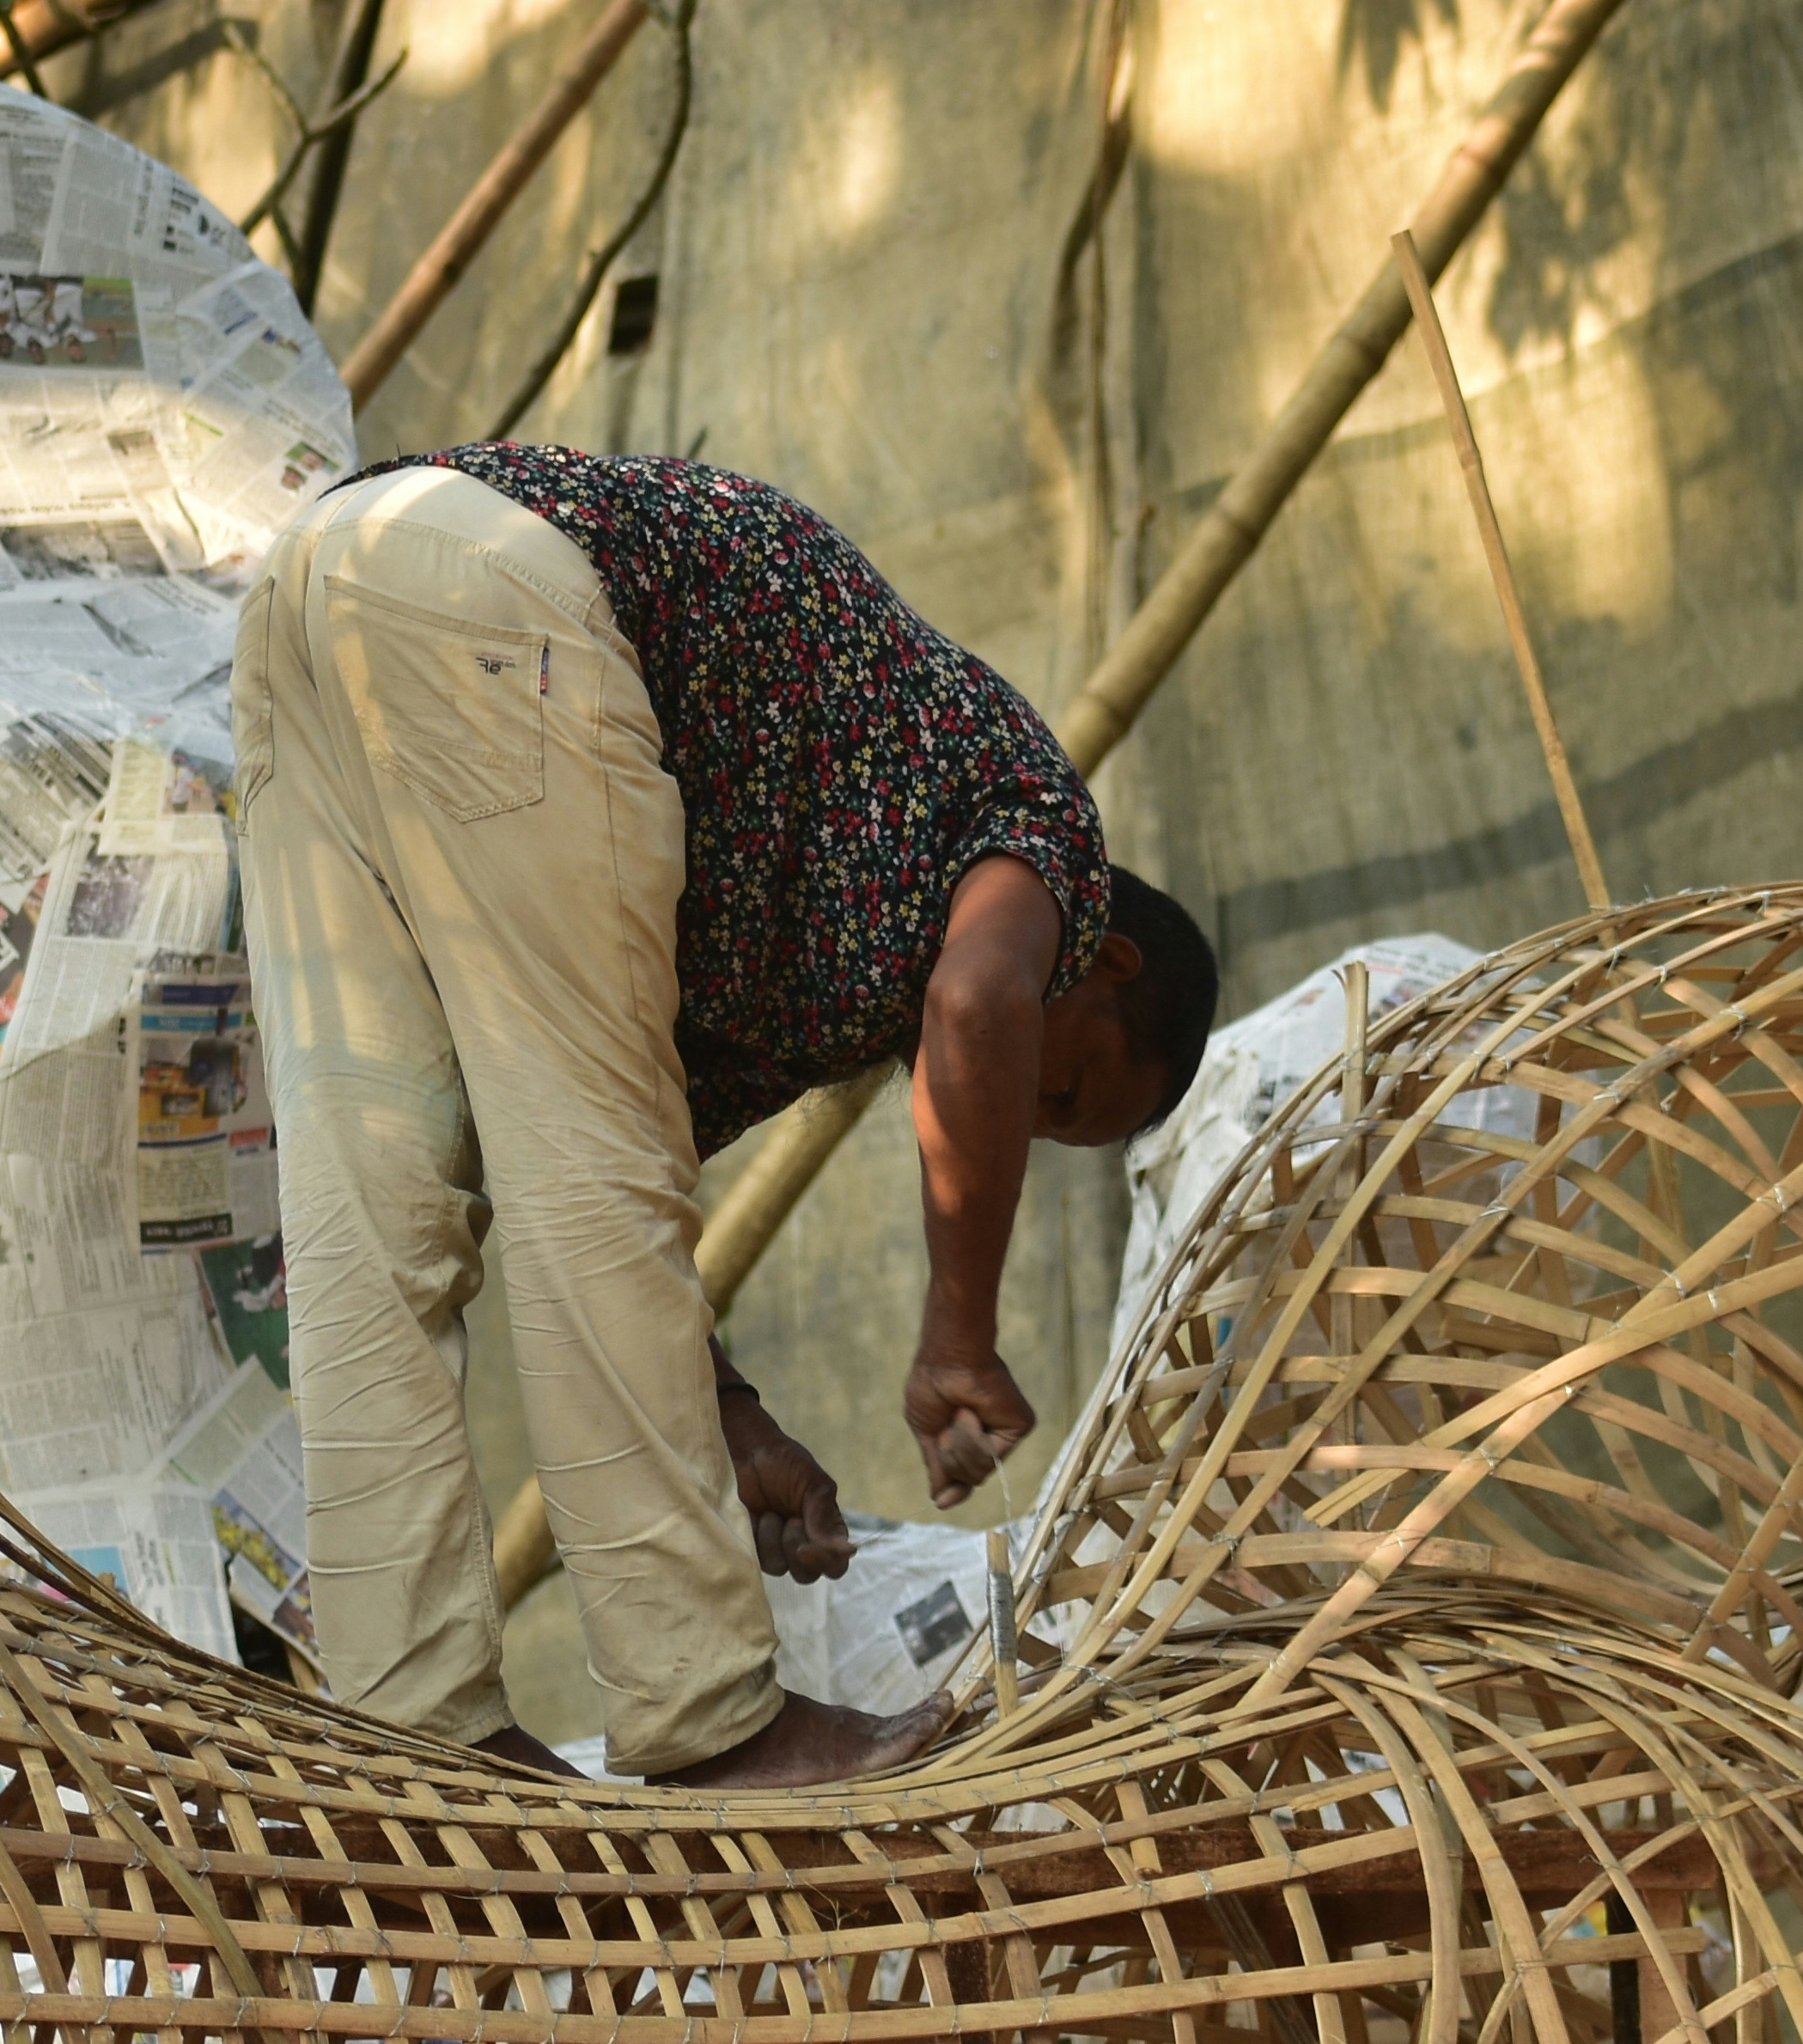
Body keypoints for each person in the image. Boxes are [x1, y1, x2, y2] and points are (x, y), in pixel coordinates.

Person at [231, 441, 1218, 1788]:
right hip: (488, 598)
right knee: (553, 1175)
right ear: (1100, 962)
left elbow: (583, 1183)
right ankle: (711, 1720)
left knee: (376, 1204)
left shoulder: (799, 967)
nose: (1023, 1121)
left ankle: (413, 1737)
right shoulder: (1043, 832)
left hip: (316, 585)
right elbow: (982, 1008)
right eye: (1066, 1092)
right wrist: (957, 1337)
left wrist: (736, 1419)